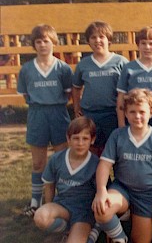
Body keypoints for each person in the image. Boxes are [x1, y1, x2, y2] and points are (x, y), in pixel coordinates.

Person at [92, 88, 152, 243]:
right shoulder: (118, 135)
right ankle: (120, 237)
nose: (137, 116)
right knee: (102, 209)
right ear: (125, 113)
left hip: (147, 194)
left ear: (151, 112)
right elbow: (104, 165)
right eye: (132, 112)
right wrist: (102, 191)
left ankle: (128, 217)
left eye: (142, 112)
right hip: (122, 188)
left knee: (141, 240)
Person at [17, 24, 72, 216]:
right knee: (38, 163)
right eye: (38, 42)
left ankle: (62, 198)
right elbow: (25, 95)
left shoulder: (63, 68)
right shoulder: (26, 69)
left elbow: (68, 94)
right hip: (37, 114)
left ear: (53, 43)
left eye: (46, 41)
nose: (42, 45)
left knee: (62, 159)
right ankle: (35, 201)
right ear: (34, 45)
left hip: (58, 114)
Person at [34, 117, 99, 243]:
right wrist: (50, 205)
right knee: (41, 217)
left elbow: (101, 193)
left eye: (85, 138)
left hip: (83, 213)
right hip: (62, 205)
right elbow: (49, 185)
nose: (80, 143)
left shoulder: (96, 164)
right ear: (68, 139)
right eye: (76, 138)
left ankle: (94, 230)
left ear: (92, 140)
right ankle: (66, 229)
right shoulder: (56, 159)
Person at [72, 21, 129, 155]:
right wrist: (76, 107)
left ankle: (117, 176)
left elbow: (128, 90)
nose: (97, 40)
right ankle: (95, 176)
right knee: (92, 151)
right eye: (93, 37)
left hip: (112, 114)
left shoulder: (121, 62)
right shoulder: (83, 64)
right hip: (91, 114)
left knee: (114, 151)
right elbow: (76, 87)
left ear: (108, 40)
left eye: (101, 37)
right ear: (88, 42)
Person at [116, 26, 152, 132]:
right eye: (143, 43)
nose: (147, 47)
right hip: (133, 117)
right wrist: (121, 122)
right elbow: (121, 96)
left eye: (151, 43)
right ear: (138, 45)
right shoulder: (129, 68)